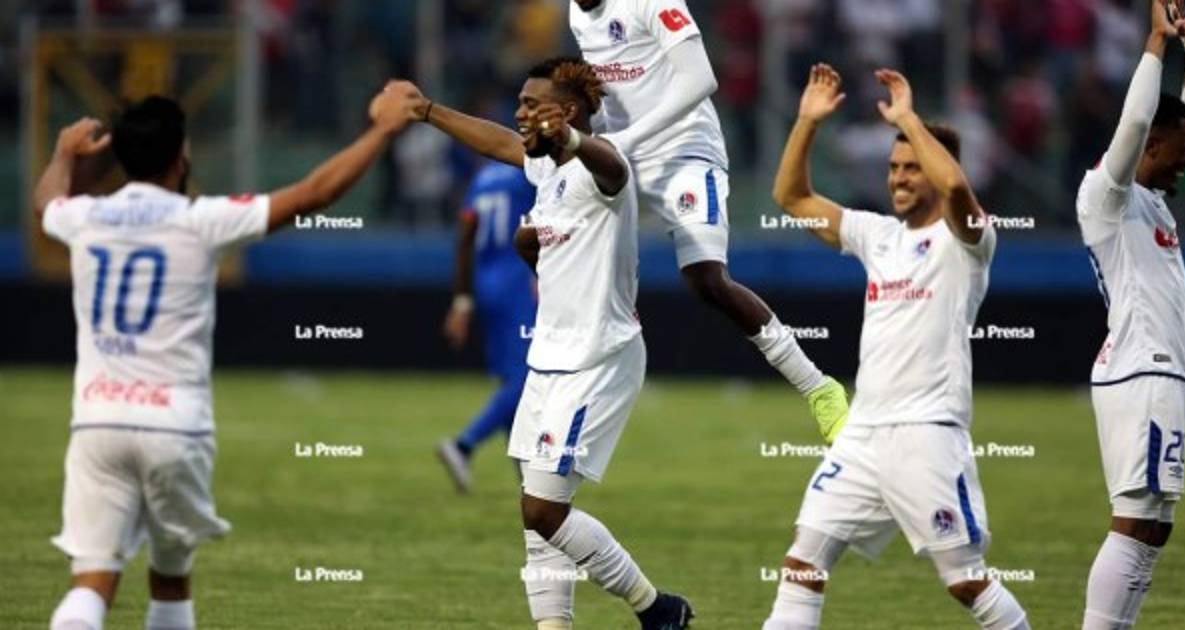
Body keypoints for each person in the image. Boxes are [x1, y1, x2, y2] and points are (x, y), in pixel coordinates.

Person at [35, 89, 411, 630]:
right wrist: (383, 131)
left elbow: (46, 203)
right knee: (171, 579)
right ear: (180, 157)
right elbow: (313, 194)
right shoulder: (201, 220)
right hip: (175, 427)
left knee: (92, 582)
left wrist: (64, 154)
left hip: (97, 421)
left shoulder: (86, 216)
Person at [385, 57, 693, 629]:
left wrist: (571, 139)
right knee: (538, 518)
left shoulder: (601, 167)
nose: (520, 112)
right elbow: (499, 142)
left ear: (567, 112)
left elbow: (612, 166)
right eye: (521, 102)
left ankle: (657, 609)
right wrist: (426, 111)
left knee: (543, 510)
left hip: (597, 358)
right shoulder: (544, 170)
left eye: (532, 104)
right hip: (549, 356)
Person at [762, 63, 1029, 629]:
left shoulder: (968, 241)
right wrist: (807, 121)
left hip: (927, 432)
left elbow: (955, 188)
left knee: (965, 581)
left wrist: (908, 118)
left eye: (912, 168)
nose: (899, 179)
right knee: (803, 564)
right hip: (863, 433)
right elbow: (790, 196)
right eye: (893, 168)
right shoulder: (876, 235)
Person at [568, 0, 848, 442]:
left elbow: (701, 78)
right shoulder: (576, 12)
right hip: (620, 154)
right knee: (572, 257)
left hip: (683, 152)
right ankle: (574, 391)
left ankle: (820, 388)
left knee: (707, 280)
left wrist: (626, 139)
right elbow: (606, 91)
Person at [1077, 1, 1185, 627]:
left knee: (1153, 526)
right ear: (1150, 146)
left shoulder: (1150, 199)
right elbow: (1141, 117)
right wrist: (1155, 42)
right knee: (1136, 522)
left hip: (1156, 373)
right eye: (1184, 148)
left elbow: (1177, 121)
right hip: (1140, 372)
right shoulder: (1108, 195)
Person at [436, 160, 538, 493]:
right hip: (519, 280)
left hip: (485, 281)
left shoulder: (483, 178)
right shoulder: (528, 173)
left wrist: (462, 300)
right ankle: (464, 445)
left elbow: (465, 235)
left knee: (511, 378)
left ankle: (526, 473)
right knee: (528, 376)